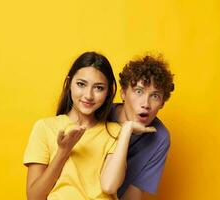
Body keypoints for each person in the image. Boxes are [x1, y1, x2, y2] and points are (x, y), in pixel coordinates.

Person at [23, 52, 156, 200]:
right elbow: (34, 197)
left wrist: (126, 130)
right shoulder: (45, 128)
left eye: (98, 88)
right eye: (81, 84)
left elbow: (110, 186)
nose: (89, 95)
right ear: (69, 84)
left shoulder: (115, 132)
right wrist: (63, 152)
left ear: (108, 93)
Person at [108, 55, 175, 199]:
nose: (146, 103)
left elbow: (132, 195)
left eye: (155, 96)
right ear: (123, 94)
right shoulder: (101, 114)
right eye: (139, 91)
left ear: (162, 102)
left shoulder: (159, 138)